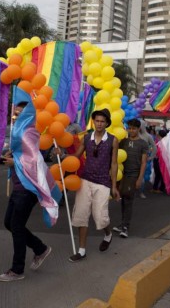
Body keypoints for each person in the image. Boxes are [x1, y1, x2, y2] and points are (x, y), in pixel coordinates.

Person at [0, 101, 56, 282]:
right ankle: (40, 248)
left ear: (28, 115)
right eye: (14, 113)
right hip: (18, 187)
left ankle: (17, 270)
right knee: (10, 223)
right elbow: (22, 155)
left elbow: (35, 161)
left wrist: (15, 162)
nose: (15, 116)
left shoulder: (29, 132)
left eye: (19, 113)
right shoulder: (18, 132)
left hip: (27, 189)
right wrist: (10, 155)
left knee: (16, 226)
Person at [61, 108, 118, 261]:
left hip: (103, 182)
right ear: (93, 122)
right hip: (85, 179)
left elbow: (113, 164)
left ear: (107, 123)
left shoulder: (113, 140)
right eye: (97, 121)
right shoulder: (86, 138)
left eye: (102, 121)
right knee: (81, 214)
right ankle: (81, 251)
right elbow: (77, 156)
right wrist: (62, 155)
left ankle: (108, 233)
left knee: (100, 217)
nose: (99, 124)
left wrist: (114, 186)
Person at [113, 118, 147, 238]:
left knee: (128, 200)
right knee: (122, 199)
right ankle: (122, 224)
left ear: (138, 129)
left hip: (133, 176)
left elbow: (143, 163)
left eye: (134, 128)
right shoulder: (124, 141)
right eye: (129, 128)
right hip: (122, 174)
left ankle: (126, 227)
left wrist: (139, 178)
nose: (131, 130)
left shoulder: (143, 143)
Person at [151, 129, 167, 193]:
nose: (156, 135)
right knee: (157, 174)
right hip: (156, 160)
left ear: (159, 135)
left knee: (161, 174)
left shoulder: (165, 142)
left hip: (161, 161)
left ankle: (161, 189)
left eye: (158, 134)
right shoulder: (158, 141)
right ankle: (155, 188)